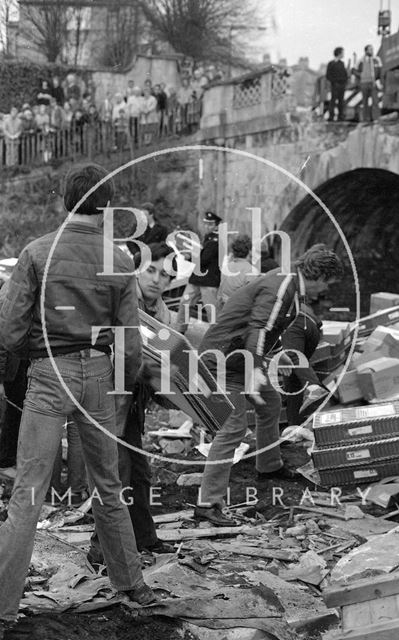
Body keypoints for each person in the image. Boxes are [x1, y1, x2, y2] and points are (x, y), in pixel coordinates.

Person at [0, 163, 157, 634]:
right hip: (99, 374)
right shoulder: (120, 259)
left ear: (63, 202)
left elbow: (9, 330)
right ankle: (131, 584)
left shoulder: (36, 252)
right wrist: (123, 387)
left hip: (49, 373)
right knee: (109, 486)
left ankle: (3, 605)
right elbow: (130, 337)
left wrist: (17, 368)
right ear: (107, 207)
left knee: (29, 492)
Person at [193, 245, 343, 526]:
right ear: (319, 275)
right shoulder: (281, 286)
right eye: (327, 282)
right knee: (233, 428)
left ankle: (269, 466)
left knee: (270, 403)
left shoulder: (291, 286)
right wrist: (256, 369)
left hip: (238, 358)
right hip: (221, 362)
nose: (326, 290)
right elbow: (259, 330)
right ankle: (207, 504)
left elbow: (269, 331)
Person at [87, 243, 177, 569]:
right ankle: (100, 550)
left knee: (138, 474)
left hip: (133, 404)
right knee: (116, 474)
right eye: (151, 270)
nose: (156, 279)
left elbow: (164, 371)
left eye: (165, 275)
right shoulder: (120, 302)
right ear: (137, 268)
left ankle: (144, 537)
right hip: (107, 399)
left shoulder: (163, 316)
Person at [282, 302, 325, 427]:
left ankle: (314, 388)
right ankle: (295, 427)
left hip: (295, 325)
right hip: (310, 325)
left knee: (292, 358)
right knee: (293, 379)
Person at [178, 211, 222, 328]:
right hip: (198, 279)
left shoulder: (215, 241)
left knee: (211, 310)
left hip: (208, 282)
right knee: (185, 303)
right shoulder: (209, 238)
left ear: (216, 226)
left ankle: (215, 335)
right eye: (206, 224)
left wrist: (189, 256)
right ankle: (180, 329)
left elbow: (204, 259)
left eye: (210, 224)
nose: (207, 226)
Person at [217, 234, 257, 314]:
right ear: (250, 251)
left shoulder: (227, 267)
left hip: (225, 310)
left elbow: (220, 293)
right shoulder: (251, 271)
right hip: (240, 312)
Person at [355, 45, 382, 122]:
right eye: (370, 49)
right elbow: (354, 70)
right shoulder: (360, 60)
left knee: (375, 102)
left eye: (372, 49)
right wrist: (360, 75)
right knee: (365, 102)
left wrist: (379, 81)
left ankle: (376, 119)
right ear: (366, 51)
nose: (372, 51)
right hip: (364, 83)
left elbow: (380, 71)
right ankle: (365, 119)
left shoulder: (377, 60)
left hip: (373, 83)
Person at [326, 47, 348, 122]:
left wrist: (344, 81)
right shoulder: (331, 63)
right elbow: (328, 75)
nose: (343, 54)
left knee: (341, 101)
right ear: (339, 53)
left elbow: (345, 74)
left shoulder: (342, 63)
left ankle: (340, 116)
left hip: (342, 85)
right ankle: (331, 116)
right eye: (342, 53)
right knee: (333, 101)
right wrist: (334, 82)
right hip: (335, 85)